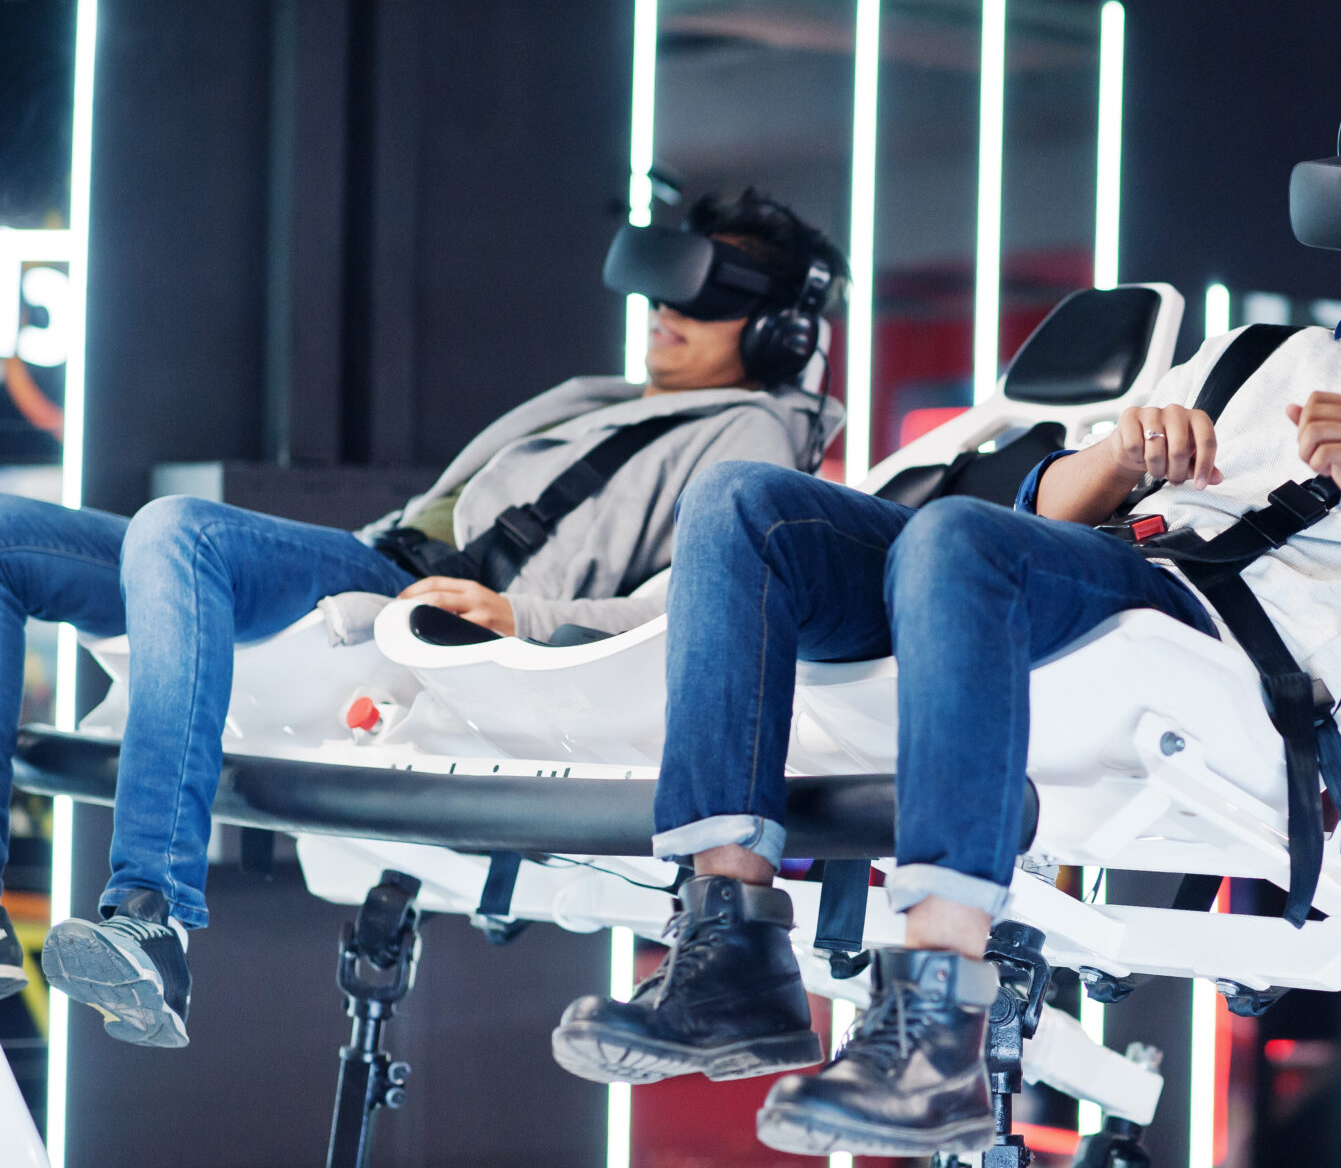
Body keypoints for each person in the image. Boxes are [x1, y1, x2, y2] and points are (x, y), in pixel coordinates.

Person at [546, 77, 1341, 1159]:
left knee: (956, 541)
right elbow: (1032, 518)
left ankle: (938, 1019)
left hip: (1225, 666)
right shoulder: (1259, 353)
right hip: (1093, 580)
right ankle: (730, 950)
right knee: (742, 506)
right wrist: (1119, 457)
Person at [0, 189, 847, 1048]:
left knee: (180, 527)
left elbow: (701, 613)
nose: (665, 312)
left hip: (413, 601)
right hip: (379, 559)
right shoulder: (602, 395)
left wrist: (524, 613)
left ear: (782, 334)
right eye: (665, 290)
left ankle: (150, 913)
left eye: (707, 300)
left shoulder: (754, 436)